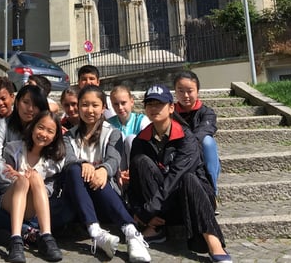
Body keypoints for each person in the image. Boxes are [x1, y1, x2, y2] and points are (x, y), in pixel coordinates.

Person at [129, 85, 231, 262]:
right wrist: (138, 210)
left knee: (187, 178)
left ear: (171, 108)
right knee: (140, 162)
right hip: (162, 206)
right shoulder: (141, 140)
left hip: (192, 198)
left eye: (159, 104)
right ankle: (157, 229)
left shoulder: (186, 137)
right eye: (150, 104)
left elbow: (175, 177)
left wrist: (147, 212)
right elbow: (135, 181)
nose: (154, 108)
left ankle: (214, 242)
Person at [0, 85, 71, 242]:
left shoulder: (47, 129)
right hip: (8, 192)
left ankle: (14, 229)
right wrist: (17, 178)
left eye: (35, 105)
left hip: (40, 196)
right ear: (17, 101)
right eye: (26, 102)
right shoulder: (4, 125)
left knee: (69, 208)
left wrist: (35, 180)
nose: (30, 109)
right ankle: (29, 230)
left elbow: (62, 158)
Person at [63, 85, 151, 262]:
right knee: (74, 169)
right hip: (78, 200)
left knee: (96, 177)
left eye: (95, 105)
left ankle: (132, 235)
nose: (89, 110)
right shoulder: (68, 136)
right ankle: (96, 233)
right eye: (85, 105)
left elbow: (113, 159)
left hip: (106, 196)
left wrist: (103, 169)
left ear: (103, 107)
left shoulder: (113, 133)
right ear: (78, 107)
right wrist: (84, 164)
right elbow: (68, 160)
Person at [0, 111, 65, 263]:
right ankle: (16, 239)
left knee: (35, 177)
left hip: (33, 209)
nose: (43, 134)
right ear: (32, 127)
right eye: (40, 127)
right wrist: (18, 177)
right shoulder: (12, 148)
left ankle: (46, 236)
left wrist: (33, 177)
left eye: (50, 131)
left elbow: (48, 190)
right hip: (9, 201)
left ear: (55, 136)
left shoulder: (54, 159)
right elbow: (1, 181)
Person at [173, 72, 221, 196]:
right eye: (181, 91)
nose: (185, 95)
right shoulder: (170, 113)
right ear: (175, 92)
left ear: (197, 91)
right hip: (178, 155)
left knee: (208, 141)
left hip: (200, 154)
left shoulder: (207, 113)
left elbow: (205, 130)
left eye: (190, 91)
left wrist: (187, 144)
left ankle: (213, 191)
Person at [107, 84, 150, 192]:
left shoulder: (142, 120)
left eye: (123, 103)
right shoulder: (108, 124)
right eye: (116, 104)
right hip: (117, 170)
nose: (120, 108)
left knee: (131, 139)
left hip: (137, 167)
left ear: (131, 101)